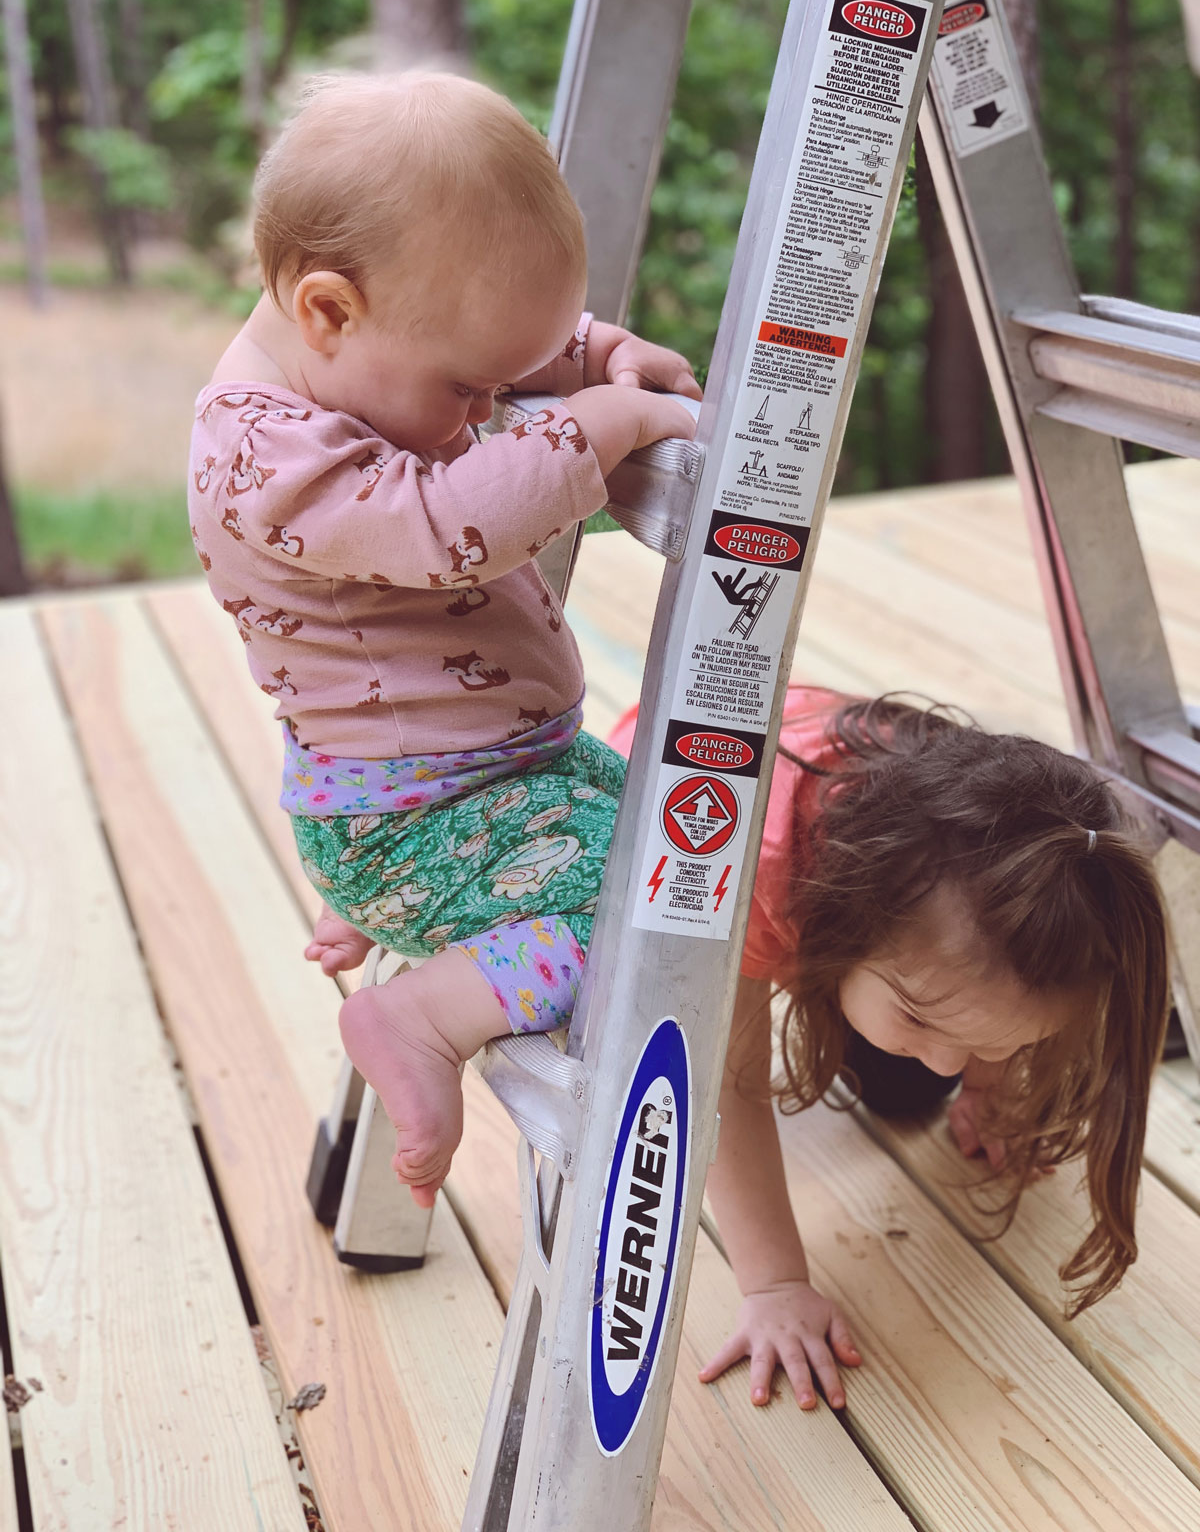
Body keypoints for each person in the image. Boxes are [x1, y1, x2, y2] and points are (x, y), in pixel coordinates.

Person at [188, 71, 699, 1209]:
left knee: (675, 838)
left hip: (484, 779)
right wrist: (604, 423)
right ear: (326, 309)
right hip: (417, 820)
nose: (491, 410)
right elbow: (443, 523)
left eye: (506, 383)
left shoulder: (357, 354)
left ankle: (397, 922)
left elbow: (490, 350)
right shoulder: (263, 457)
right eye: (471, 388)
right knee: (644, 899)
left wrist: (595, 358)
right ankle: (417, 1014)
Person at [610, 685, 1170, 1411]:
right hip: (672, 818)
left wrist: (992, 1092)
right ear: (845, 929)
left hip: (861, 833)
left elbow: (991, 986)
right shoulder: (744, 885)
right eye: (924, 1019)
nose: (948, 1060)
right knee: (889, 1064)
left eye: (996, 1042)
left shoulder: (1011, 867)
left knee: (908, 1089)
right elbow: (727, 1087)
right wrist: (775, 1284)